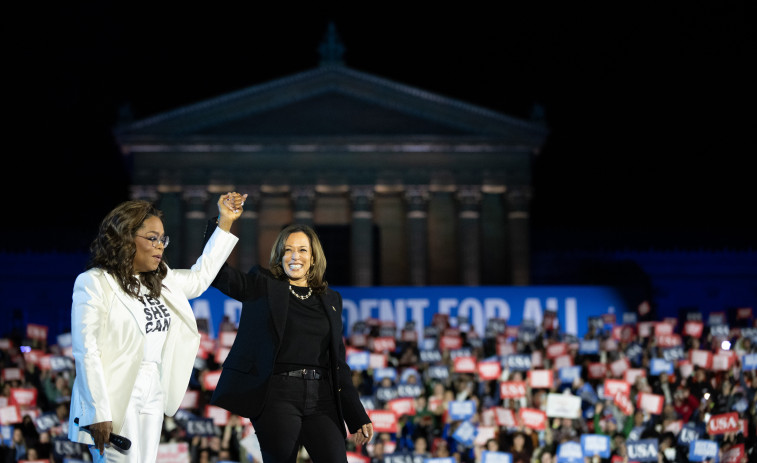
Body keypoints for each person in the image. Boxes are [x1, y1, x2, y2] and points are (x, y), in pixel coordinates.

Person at [68, 192, 246, 462]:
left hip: (154, 389)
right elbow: (86, 351)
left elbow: (200, 277)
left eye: (163, 238)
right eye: (152, 238)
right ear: (126, 239)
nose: (160, 245)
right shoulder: (95, 283)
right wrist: (97, 412)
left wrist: (225, 223)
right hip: (116, 395)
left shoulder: (162, 281)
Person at [207, 223, 374, 462]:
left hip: (322, 397)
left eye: (303, 250)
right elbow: (219, 274)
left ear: (314, 257)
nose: (295, 256)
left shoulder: (331, 299)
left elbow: (338, 364)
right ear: (279, 256)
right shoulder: (263, 285)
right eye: (288, 250)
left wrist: (357, 415)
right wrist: (224, 222)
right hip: (277, 395)